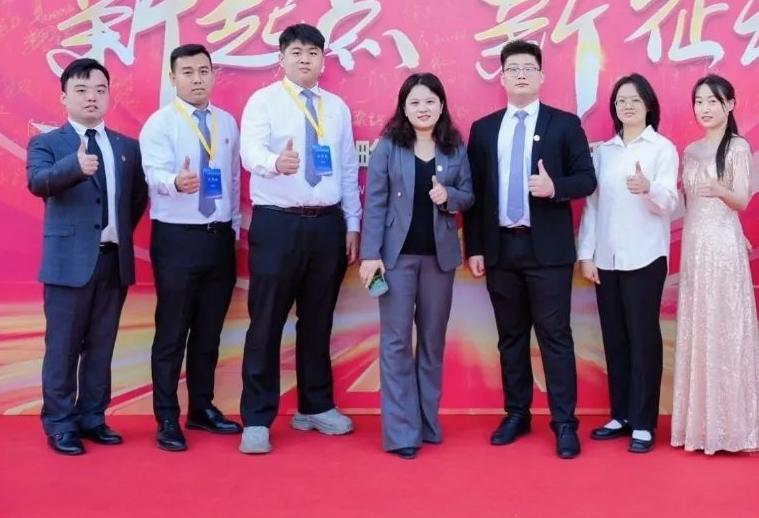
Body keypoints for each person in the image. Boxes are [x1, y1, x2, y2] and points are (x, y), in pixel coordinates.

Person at [462, 40, 596, 459]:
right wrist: (475, 247)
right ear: (502, 78)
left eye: (528, 68)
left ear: (541, 76)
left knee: (555, 337)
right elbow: (476, 194)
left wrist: (555, 187)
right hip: (501, 248)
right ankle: (517, 414)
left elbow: (587, 179)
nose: (521, 74)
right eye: (513, 69)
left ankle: (564, 423)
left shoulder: (565, 124)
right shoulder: (484, 129)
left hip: (548, 252)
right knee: (510, 338)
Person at [237, 23, 362, 455]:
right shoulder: (264, 101)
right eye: (296, 52)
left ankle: (315, 406)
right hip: (278, 222)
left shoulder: (336, 107)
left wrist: (352, 223)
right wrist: (276, 162)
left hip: (327, 224)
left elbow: (347, 167)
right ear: (281, 58)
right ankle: (257, 418)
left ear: (323, 60)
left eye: (312, 52)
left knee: (318, 320)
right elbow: (249, 153)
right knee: (266, 321)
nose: (304, 58)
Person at [26, 58, 148, 456]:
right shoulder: (47, 143)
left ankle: (93, 417)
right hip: (68, 264)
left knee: (101, 345)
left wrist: (114, 234)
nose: (91, 97)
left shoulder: (127, 147)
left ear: (109, 95)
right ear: (64, 97)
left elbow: (136, 199)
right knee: (62, 348)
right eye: (81, 90)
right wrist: (73, 167)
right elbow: (38, 182)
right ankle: (60, 424)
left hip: (113, 260)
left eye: (99, 90)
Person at [359, 73, 474, 460]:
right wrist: (370, 255)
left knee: (432, 342)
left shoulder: (454, 145)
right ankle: (401, 432)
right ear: (403, 108)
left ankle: (426, 422)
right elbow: (375, 202)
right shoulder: (389, 146)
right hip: (395, 260)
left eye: (430, 101)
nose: (423, 108)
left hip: (439, 260)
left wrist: (449, 196)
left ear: (441, 105)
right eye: (415, 102)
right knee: (395, 343)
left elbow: (469, 195)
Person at [140, 44, 242, 451]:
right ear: (173, 78)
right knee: (172, 332)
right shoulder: (161, 123)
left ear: (213, 74)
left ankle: (201, 408)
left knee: (209, 331)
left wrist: (233, 228)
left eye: (203, 70)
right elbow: (153, 173)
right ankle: (167, 417)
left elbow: (232, 181)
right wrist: (175, 183)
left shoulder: (226, 122)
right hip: (177, 237)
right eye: (188, 72)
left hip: (219, 237)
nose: (197, 79)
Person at [578, 73, 678, 454]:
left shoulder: (662, 149)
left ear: (648, 105)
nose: (628, 106)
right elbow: (592, 206)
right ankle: (620, 414)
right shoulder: (603, 152)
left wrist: (648, 188)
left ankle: (644, 421)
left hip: (645, 257)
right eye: (621, 101)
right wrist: (586, 254)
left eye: (635, 100)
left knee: (643, 339)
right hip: (607, 259)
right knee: (615, 338)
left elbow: (669, 202)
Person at [671, 75, 759, 455]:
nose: (705, 108)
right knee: (699, 328)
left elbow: (742, 200)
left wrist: (719, 190)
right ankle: (699, 427)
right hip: (695, 245)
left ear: (730, 104)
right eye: (699, 101)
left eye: (712, 101)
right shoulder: (690, 149)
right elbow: (688, 203)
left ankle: (732, 428)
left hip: (724, 246)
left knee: (725, 328)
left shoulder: (738, 147)